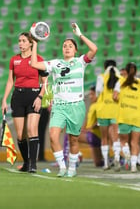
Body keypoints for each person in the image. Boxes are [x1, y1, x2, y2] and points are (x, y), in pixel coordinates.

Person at [30, 23, 98, 177]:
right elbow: (34, 64)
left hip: (76, 106)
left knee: (74, 140)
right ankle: (62, 167)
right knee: (53, 136)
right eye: (64, 46)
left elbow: (94, 49)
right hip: (59, 106)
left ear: (75, 50)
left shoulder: (81, 62)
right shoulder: (55, 63)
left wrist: (79, 35)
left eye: (70, 46)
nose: (66, 48)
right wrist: (34, 43)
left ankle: (72, 169)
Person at [1, 32, 47, 173]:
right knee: (20, 135)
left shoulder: (39, 59)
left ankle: (33, 164)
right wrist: (4, 100)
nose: (20, 43)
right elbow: (10, 81)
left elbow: (45, 83)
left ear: (31, 43)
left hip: (34, 96)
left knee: (32, 130)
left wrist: (40, 97)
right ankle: (26, 163)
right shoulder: (14, 60)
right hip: (18, 97)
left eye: (24, 41)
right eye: (19, 41)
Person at [113, 62, 140, 172]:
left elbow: (115, 97)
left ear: (125, 70)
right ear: (136, 71)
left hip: (125, 115)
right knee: (135, 142)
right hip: (138, 116)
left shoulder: (121, 82)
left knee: (123, 141)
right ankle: (134, 165)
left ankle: (127, 155)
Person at [95, 59, 122, 171]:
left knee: (104, 138)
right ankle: (116, 158)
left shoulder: (101, 77)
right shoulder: (120, 79)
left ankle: (106, 162)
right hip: (115, 110)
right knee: (115, 137)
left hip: (103, 110)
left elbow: (98, 91)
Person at [81, 86, 103, 167]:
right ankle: (111, 160)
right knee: (98, 163)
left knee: (69, 135)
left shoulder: (99, 105)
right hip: (92, 135)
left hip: (94, 135)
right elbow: (88, 120)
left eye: (92, 94)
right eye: (90, 94)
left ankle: (66, 160)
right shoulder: (92, 105)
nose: (90, 96)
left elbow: (100, 121)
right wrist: (83, 129)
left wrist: (91, 128)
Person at [38, 78, 52, 162]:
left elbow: (51, 96)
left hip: (44, 110)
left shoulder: (47, 85)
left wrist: (50, 104)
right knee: (33, 133)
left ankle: (41, 156)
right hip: (35, 110)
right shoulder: (34, 84)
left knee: (41, 133)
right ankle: (33, 155)